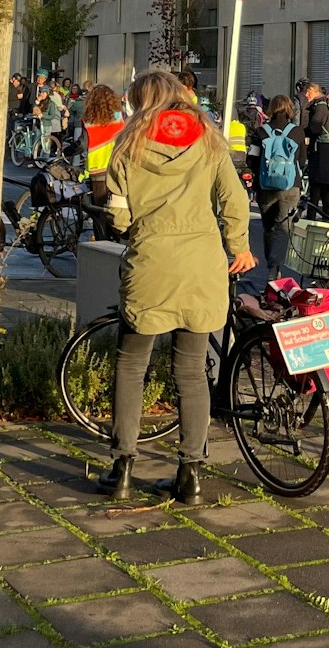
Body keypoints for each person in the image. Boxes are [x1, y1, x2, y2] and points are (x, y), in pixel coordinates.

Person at [96, 70, 255, 505]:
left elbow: (119, 215)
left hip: (151, 263)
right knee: (191, 371)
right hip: (202, 264)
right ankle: (190, 475)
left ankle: (123, 469)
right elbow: (234, 199)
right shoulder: (208, 139)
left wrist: (131, 225)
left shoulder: (127, 144)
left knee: (131, 366)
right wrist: (239, 246)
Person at [252, 94, 307, 277]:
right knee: (283, 227)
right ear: (290, 109)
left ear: (271, 109)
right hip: (290, 186)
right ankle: (275, 268)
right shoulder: (297, 132)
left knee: (268, 228)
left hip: (265, 187)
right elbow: (302, 160)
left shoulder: (261, 131)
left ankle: (271, 265)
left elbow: (251, 159)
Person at [80, 84, 124, 238]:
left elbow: (83, 144)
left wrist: (67, 151)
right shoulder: (119, 117)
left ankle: (101, 241)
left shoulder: (88, 120)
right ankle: (116, 239)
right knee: (115, 208)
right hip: (117, 168)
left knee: (98, 212)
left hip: (97, 170)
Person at [300, 82, 329, 216]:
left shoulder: (320, 107)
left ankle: (312, 214)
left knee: (316, 184)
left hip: (321, 150)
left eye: (308, 92)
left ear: (315, 92)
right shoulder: (321, 106)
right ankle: (326, 214)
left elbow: (315, 128)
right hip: (325, 149)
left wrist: (301, 131)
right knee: (323, 186)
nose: (306, 95)